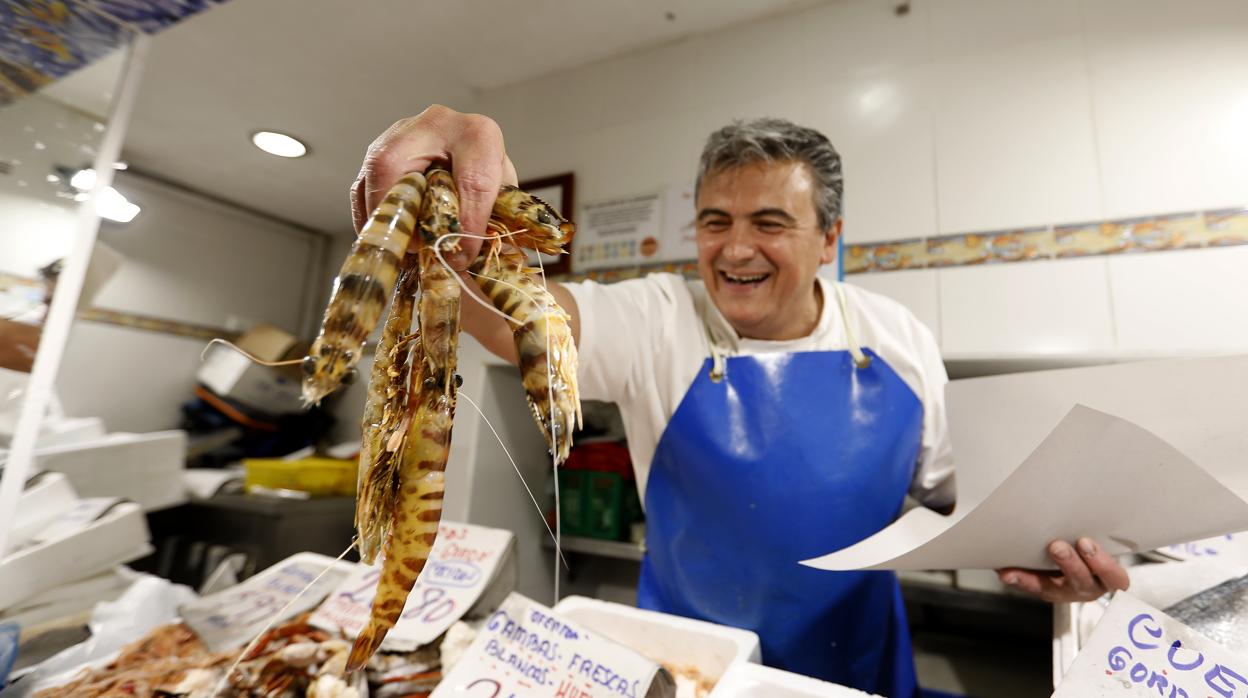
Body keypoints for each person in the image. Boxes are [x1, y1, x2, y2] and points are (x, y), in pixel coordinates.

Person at [351, 105, 1130, 697]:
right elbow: (510, 319)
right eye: (715, 222)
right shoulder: (658, 319)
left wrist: (1037, 550)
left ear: (829, 239)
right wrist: (448, 221)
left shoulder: (897, 337)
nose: (735, 249)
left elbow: (959, 502)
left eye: (770, 222)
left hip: (851, 662)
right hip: (689, 665)